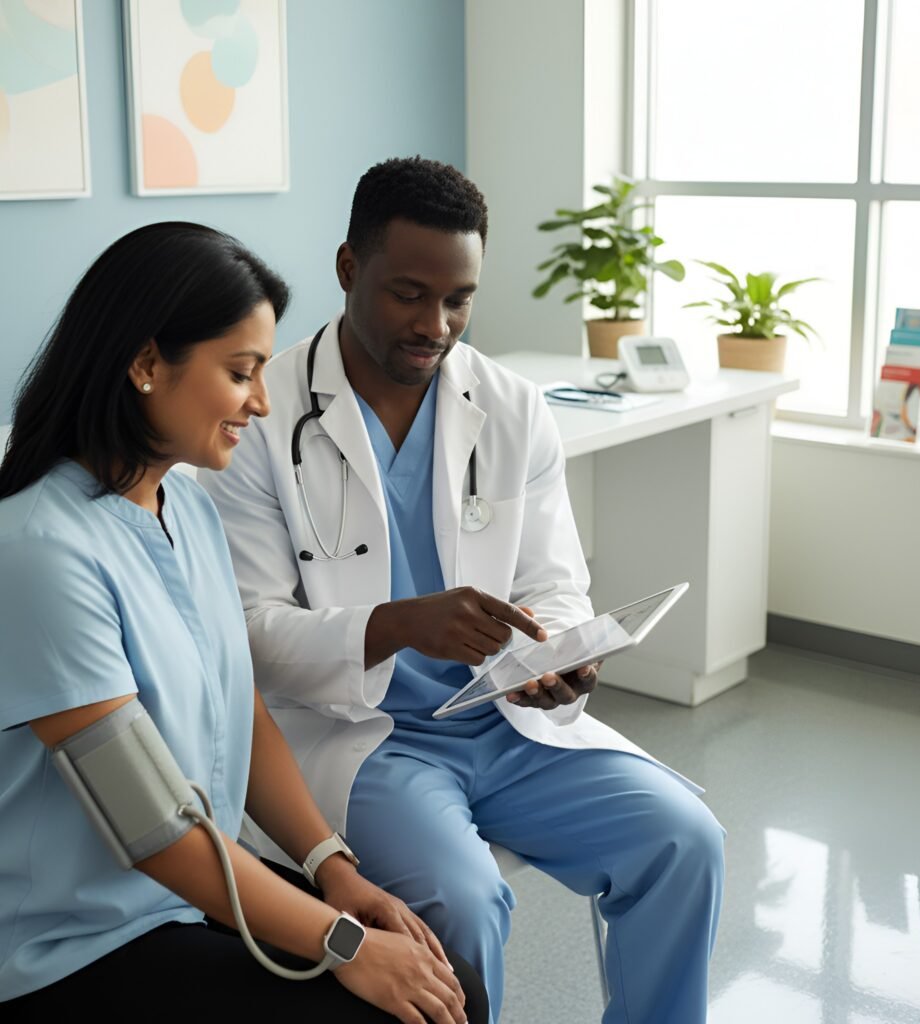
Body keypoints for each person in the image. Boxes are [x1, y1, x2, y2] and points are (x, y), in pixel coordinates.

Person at [200, 158, 725, 1024]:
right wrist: (398, 626)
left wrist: (557, 654)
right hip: (365, 740)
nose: (435, 325)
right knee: (462, 903)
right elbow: (250, 633)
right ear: (347, 268)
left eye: (459, 299)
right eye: (409, 294)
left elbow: (552, 578)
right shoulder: (263, 415)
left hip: (506, 722)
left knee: (683, 842)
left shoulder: (511, 406)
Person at [0, 222, 487, 1024]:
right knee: (387, 1009)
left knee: (445, 974)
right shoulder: (40, 554)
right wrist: (343, 944)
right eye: (240, 373)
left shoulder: (185, 503)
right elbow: (154, 830)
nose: (262, 403)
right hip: (79, 942)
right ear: (147, 364)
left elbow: (242, 713)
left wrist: (333, 869)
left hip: (195, 898)